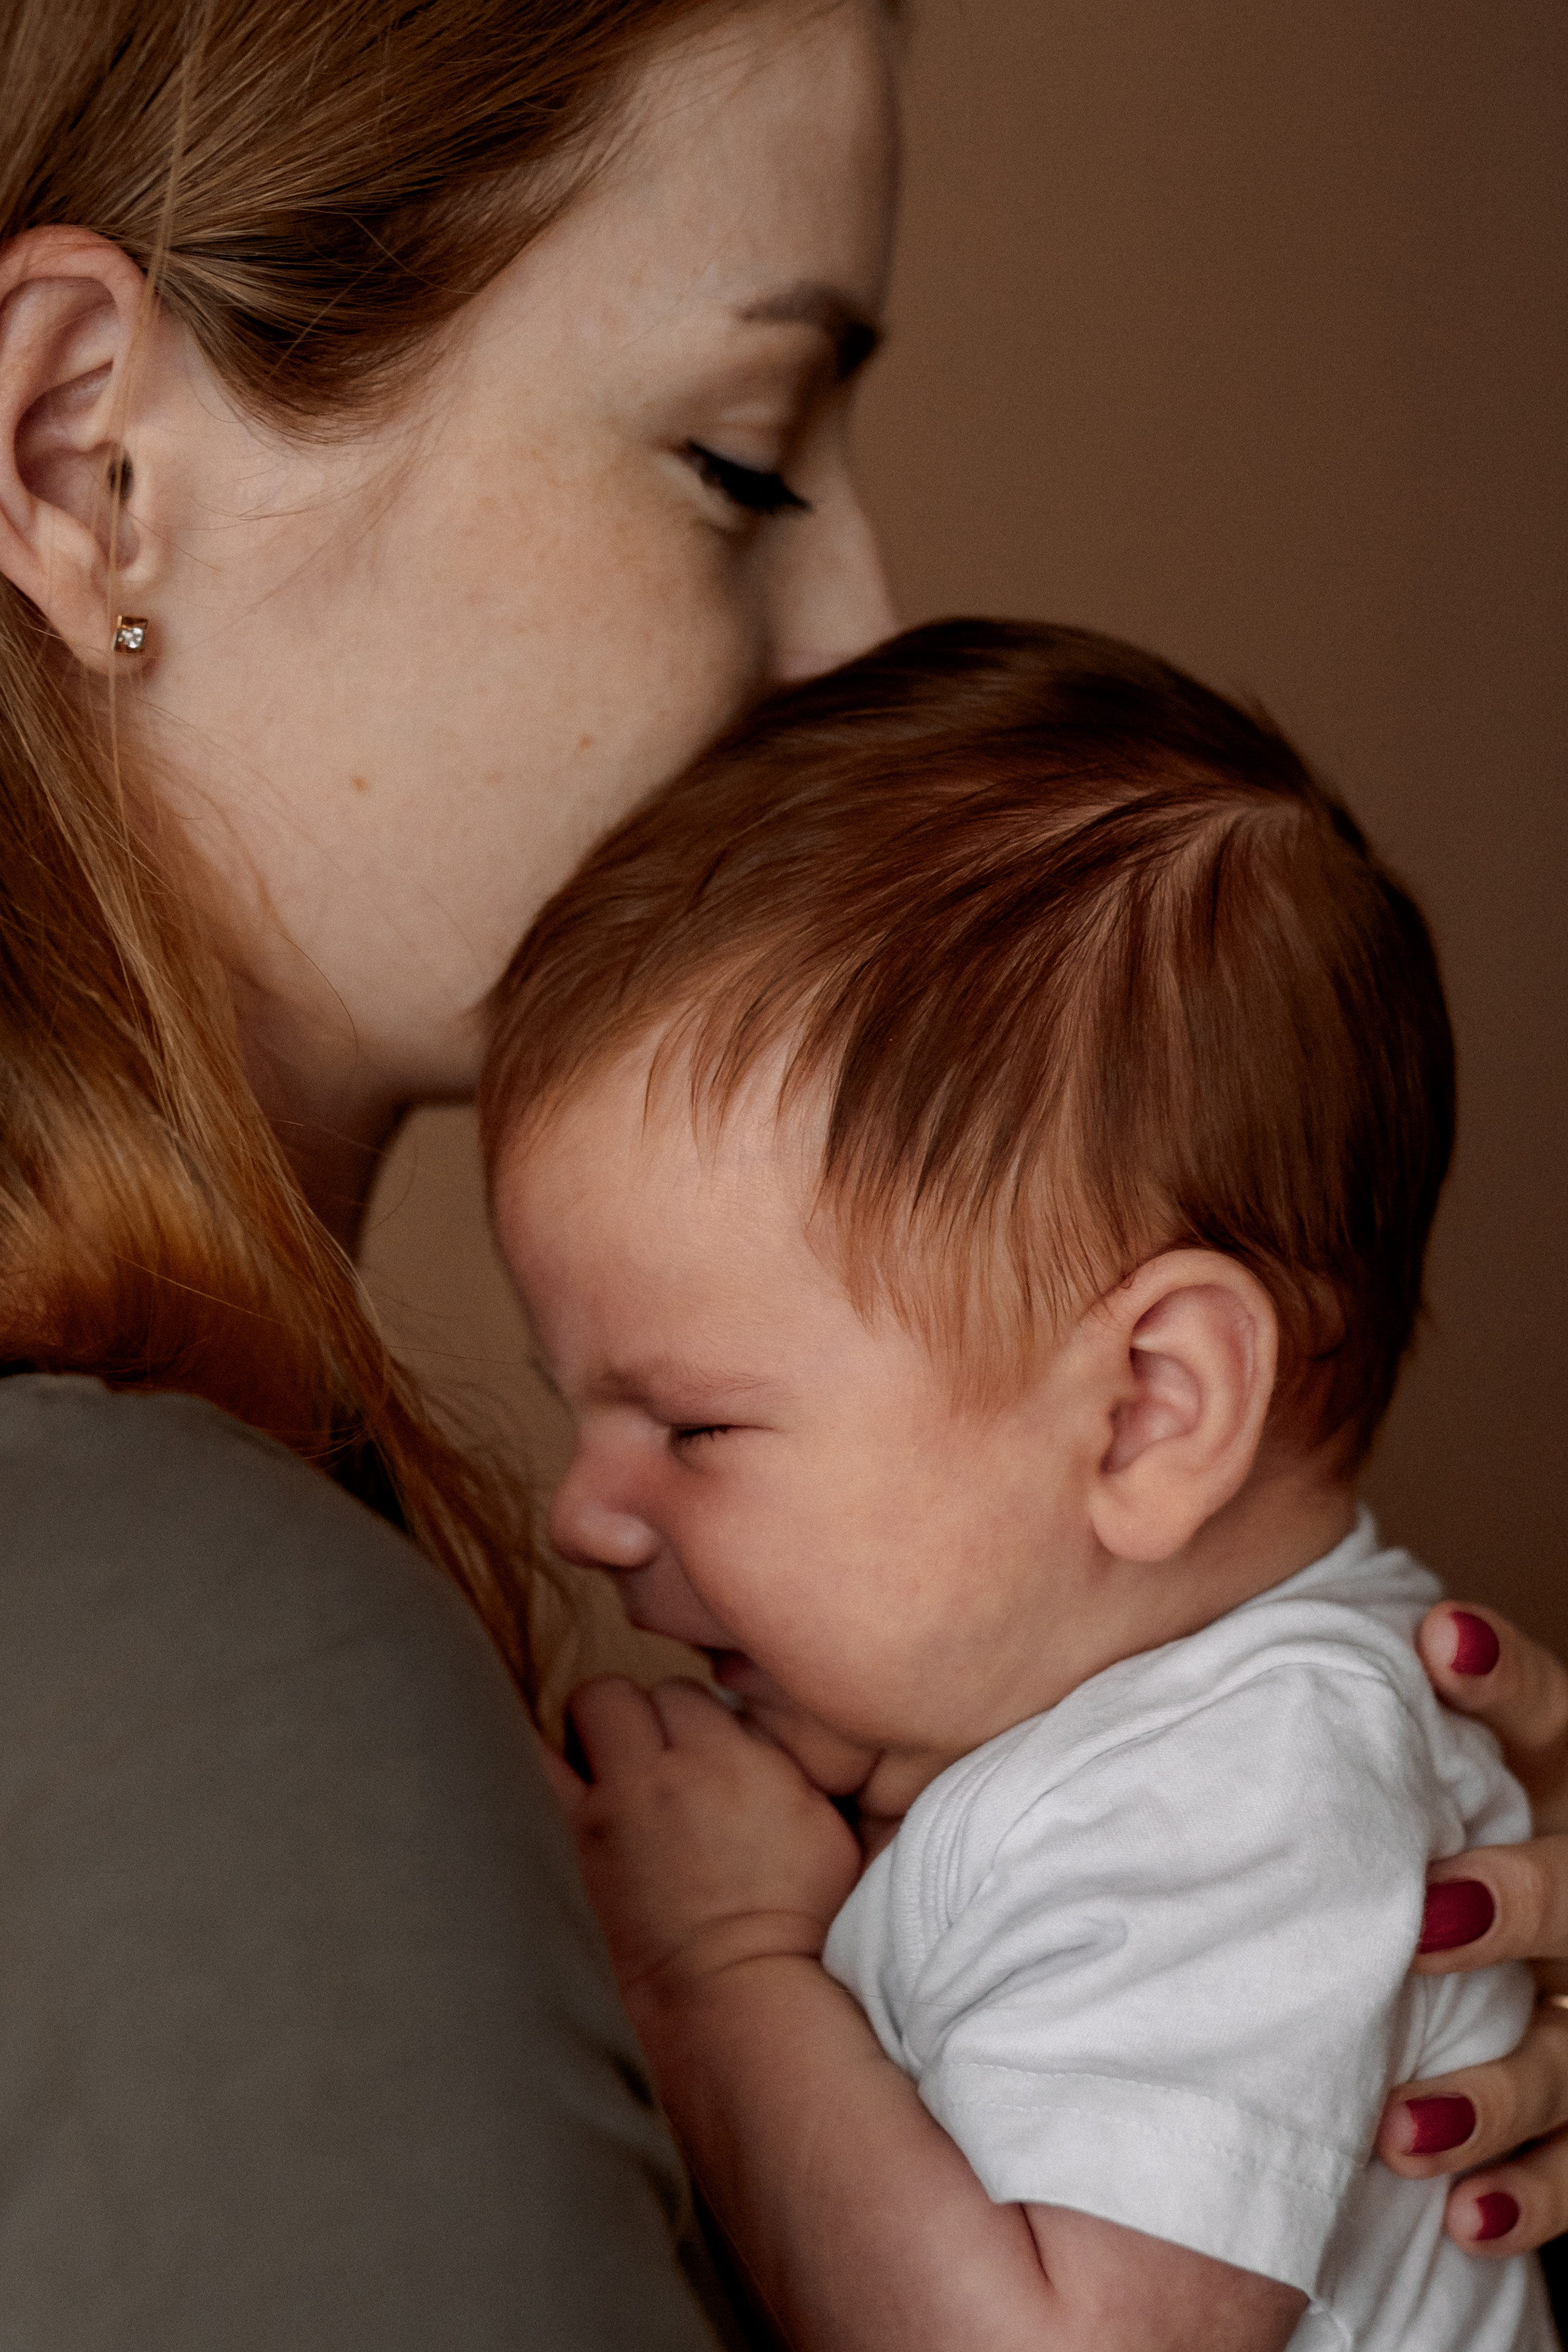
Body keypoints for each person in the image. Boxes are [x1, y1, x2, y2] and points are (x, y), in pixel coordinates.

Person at [0, 0, 1563, 2340]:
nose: (859, 623)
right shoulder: (181, 1621)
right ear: (85, 450)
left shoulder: (352, 1571)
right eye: (736, 463)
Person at [481, 619, 1554, 2349]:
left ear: (1146, 1411)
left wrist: (716, 1967)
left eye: (693, 1428)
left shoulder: (1249, 1790)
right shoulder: (1044, 1728)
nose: (582, 1514)